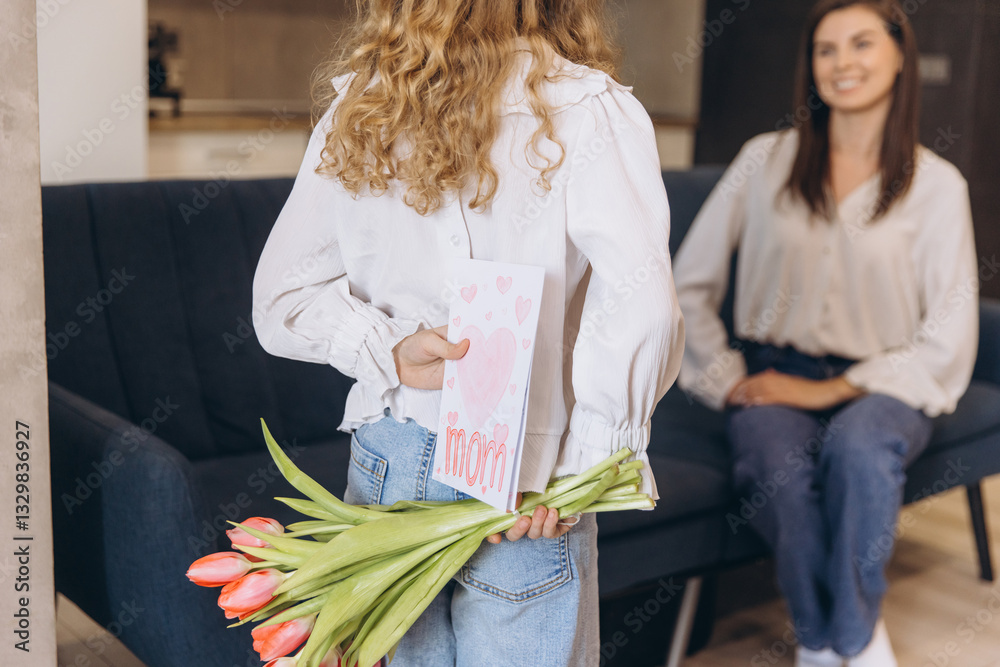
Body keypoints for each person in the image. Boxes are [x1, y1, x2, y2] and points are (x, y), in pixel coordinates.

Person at [252, 1, 685, 665]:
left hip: (391, 451)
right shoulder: (588, 109)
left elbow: (281, 298)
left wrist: (391, 348)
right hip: (528, 477)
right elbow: (643, 304)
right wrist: (584, 469)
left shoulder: (364, 108)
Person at [672, 1, 977, 666]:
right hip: (772, 372)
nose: (843, 63)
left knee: (861, 450)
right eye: (826, 49)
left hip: (885, 378)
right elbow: (685, 283)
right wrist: (724, 378)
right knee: (774, 465)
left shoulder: (938, 187)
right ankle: (830, 636)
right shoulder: (763, 161)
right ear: (810, 66)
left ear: (900, 55)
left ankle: (850, 630)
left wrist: (836, 389)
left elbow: (949, 334)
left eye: (862, 44)